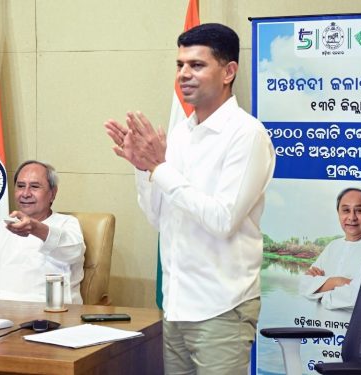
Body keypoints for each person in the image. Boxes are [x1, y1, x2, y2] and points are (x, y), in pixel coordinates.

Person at [104, 23, 275, 374]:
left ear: (229, 72)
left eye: (196, 65)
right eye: (180, 65)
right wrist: (143, 168)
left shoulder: (247, 135)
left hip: (221, 307)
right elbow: (161, 219)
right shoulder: (182, 133)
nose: (184, 74)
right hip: (177, 304)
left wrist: (159, 167)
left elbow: (222, 220)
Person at [0, 160, 86, 304]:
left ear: (53, 193)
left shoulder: (66, 223)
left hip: (44, 313)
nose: (25, 193)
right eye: (20, 186)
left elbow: (73, 252)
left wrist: (35, 227)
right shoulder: (4, 225)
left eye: (34, 186)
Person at [299, 187, 361, 310]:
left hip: (358, 329)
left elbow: (360, 296)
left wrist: (319, 292)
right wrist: (338, 281)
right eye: (346, 210)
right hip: (320, 328)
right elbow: (304, 285)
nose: (352, 217)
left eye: (359, 210)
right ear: (338, 213)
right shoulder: (332, 246)